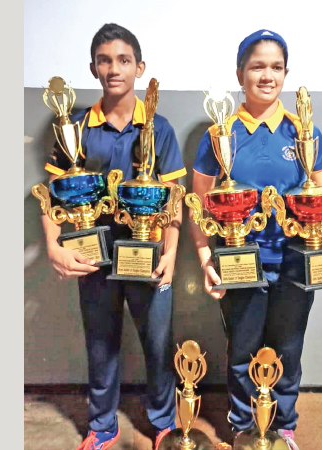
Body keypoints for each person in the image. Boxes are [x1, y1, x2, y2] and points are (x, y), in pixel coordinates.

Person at [188, 29, 322, 450]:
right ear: (239, 74)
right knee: (242, 350)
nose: (267, 76)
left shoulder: (304, 131)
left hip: (295, 262)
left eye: (276, 67)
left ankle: (284, 426)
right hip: (240, 261)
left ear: (286, 74)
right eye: (257, 66)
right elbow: (199, 205)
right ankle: (244, 426)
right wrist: (206, 258)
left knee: (288, 350)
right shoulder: (220, 134)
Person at [42, 23, 186, 450]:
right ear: (93, 68)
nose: (114, 69)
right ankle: (102, 426)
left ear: (139, 67)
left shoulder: (159, 128)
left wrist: (171, 253)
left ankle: (163, 423)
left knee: (158, 345)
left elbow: (174, 198)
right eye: (104, 61)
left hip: (148, 254)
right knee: (101, 345)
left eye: (124, 60)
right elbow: (53, 195)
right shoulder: (76, 128)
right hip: (94, 257)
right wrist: (52, 247)